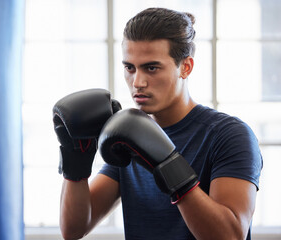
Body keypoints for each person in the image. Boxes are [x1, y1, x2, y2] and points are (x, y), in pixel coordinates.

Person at [53, 7, 263, 240]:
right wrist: (76, 164)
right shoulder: (128, 135)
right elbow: (73, 230)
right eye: (129, 68)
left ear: (186, 67)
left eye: (151, 68)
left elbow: (230, 236)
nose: (138, 82)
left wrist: (171, 168)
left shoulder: (229, 136)